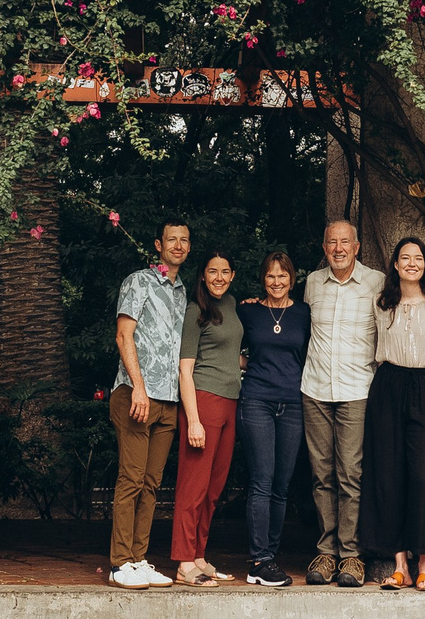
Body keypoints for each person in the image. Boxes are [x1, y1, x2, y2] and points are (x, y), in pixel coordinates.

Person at [360, 236, 425, 591]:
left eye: (418, 258)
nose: (411, 263)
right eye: (404, 257)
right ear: (395, 265)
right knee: (389, 475)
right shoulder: (381, 304)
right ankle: (401, 565)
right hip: (388, 385)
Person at [108, 221, 189, 589]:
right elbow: (124, 334)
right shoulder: (138, 281)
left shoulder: (183, 291)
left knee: (152, 483)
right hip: (135, 394)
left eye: (184, 240)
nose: (178, 245)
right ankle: (119, 562)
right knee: (132, 478)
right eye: (172, 239)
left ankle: (139, 559)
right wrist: (138, 388)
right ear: (158, 244)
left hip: (168, 400)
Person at [301, 219, 382, 586]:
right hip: (315, 389)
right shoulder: (313, 283)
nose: (338, 248)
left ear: (357, 246)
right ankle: (326, 552)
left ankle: (351, 556)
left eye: (344, 242)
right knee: (322, 476)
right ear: (324, 247)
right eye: (331, 242)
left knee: (351, 474)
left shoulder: (376, 282)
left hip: (356, 390)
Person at [169, 251, 245, 588]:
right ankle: (184, 563)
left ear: (232, 275)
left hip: (230, 403)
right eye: (212, 271)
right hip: (203, 401)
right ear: (202, 275)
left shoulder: (230, 304)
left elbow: (230, 354)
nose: (218, 277)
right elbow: (185, 369)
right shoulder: (195, 310)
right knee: (193, 486)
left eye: (224, 272)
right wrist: (194, 420)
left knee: (214, 489)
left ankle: (199, 555)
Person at [234, 252, 310, 587]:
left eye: (282, 276)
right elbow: (227, 349)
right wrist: (250, 367)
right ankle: (259, 559)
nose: (276, 282)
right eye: (270, 276)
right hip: (257, 402)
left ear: (292, 279)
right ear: (262, 279)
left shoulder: (304, 313)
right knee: (262, 481)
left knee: (281, 485)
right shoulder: (247, 310)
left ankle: (270, 558)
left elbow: (310, 354)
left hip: (292, 403)